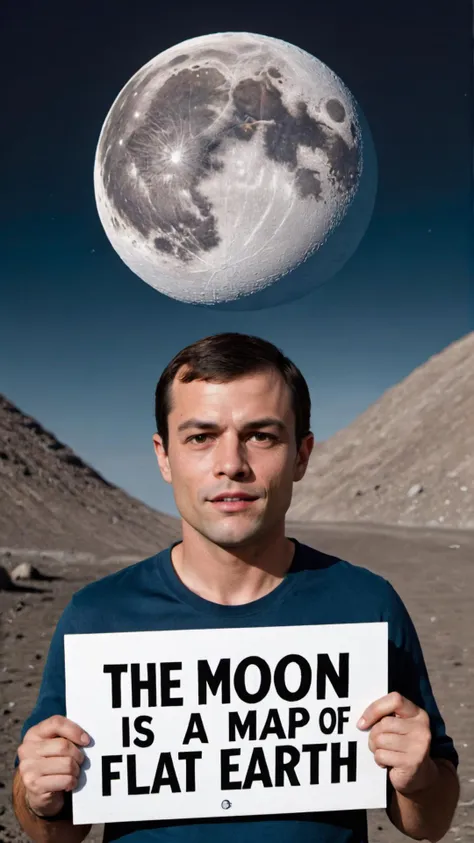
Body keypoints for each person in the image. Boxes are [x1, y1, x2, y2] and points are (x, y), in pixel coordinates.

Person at [12, 332, 459, 843]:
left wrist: (419, 778)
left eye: (261, 435)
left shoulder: (367, 605)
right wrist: (40, 797)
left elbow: (430, 823)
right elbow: (54, 833)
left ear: (301, 455)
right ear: (164, 456)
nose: (231, 464)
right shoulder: (96, 615)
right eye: (200, 437)